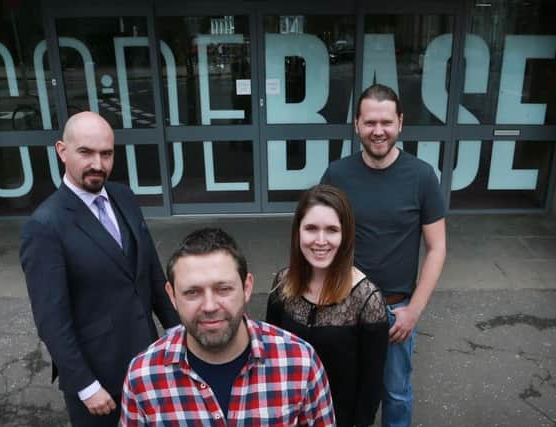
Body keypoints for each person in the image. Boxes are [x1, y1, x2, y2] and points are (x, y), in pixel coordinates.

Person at [19, 111, 180, 427]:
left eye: (106, 153)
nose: (98, 164)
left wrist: (176, 330)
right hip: (99, 381)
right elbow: (52, 320)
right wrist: (85, 385)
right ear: (62, 151)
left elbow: (149, 268)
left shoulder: (123, 195)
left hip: (148, 360)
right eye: (86, 152)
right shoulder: (44, 226)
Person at [321, 84, 447, 427]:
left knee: (396, 393)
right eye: (370, 122)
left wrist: (413, 311)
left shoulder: (421, 176)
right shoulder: (337, 175)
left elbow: (437, 248)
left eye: (387, 122)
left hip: (396, 311)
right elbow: (320, 239)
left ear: (400, 123)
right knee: (343, 390)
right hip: (343, 306)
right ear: (357, 125)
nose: (379, 131)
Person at [120, 228, 336, 426]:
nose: (210, 306)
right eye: (192, 292)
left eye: (223, 289)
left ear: (247, 287)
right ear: (172, 296)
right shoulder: (142, 377)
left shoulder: (300, 362)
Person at [266, 184, 389, 427]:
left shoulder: (367, 299)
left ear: (345, 235)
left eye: (332, 230)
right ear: (298, 232)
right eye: (311, 228)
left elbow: (371, 385)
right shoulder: (283, 283)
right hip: (287, 415)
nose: (320, 241)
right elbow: (271, 356)